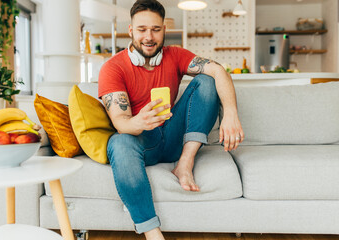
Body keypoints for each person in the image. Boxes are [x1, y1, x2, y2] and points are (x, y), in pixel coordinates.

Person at [98, 0, 244, 239]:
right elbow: (121, 122)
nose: (149, 36)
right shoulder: (113, 68)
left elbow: (219, 70)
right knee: (118, 141)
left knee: (207, 80)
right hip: (142, 142)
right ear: (131, 31)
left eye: (155, 29)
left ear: (164, 30)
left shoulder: (175, 55)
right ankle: (152, 232)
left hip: (174, 136)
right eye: (142, 29)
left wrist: (230, 113)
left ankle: (184, 164)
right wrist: (139, 122)